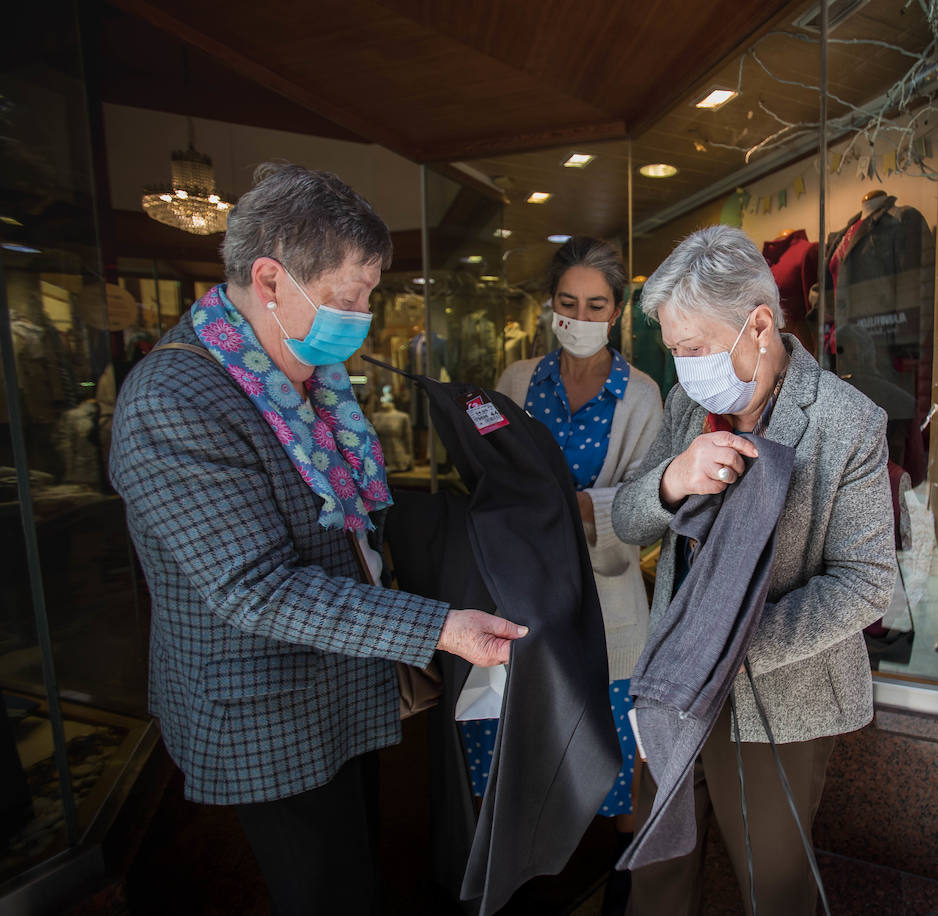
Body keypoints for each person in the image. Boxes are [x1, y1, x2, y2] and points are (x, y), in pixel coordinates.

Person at [107, 163, 526, 916]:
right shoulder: (173, 404)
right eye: (347, 297)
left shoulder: (305, 374)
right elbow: (254, 587)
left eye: (368, 294)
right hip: (266, 707)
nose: (363, 314)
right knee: (325, 890)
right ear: (270, 281)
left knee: (358, 868)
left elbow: (355, 517)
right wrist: (439, 625)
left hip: (338, 681)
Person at [612, 225, 896, 916]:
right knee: (658, 874)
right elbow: (626, 519)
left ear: (759, 324)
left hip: (784, 700)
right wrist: (674, 479)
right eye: (674, 351)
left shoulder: (846, 421)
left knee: (774, 889)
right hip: (679, 690)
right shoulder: (688, 407)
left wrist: (730, 648)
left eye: (694, 348)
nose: (684, 368)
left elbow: (866, 580)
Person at [460, 237, 663, 861]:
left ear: (617, 311)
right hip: (523, 600)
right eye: (568, 302)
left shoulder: (643, 395)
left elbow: (645, 512)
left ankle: (621, 885)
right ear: (551, 306)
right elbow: (490, 479)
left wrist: (576, 507)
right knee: (514, 750)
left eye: (597, 304)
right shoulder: (518, 381)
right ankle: (522, 875)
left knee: (615, 762)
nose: (581, 317)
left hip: (609, 608)